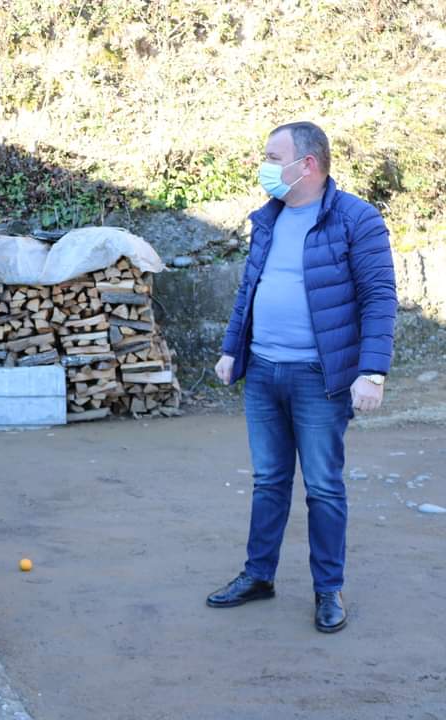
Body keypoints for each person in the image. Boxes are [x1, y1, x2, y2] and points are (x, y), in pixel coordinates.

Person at [208, 122, 397, 633]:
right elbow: (249, 289)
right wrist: (231, 349)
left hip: (320, 377)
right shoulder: (268, 217)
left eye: (273, 157)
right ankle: (258, 575)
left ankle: (328, 589)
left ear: (307, 164)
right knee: (269, 480)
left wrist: (372, 372)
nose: (265, 166)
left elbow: (379, 297)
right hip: (262, 372)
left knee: (323, 487)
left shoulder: (356, 219)